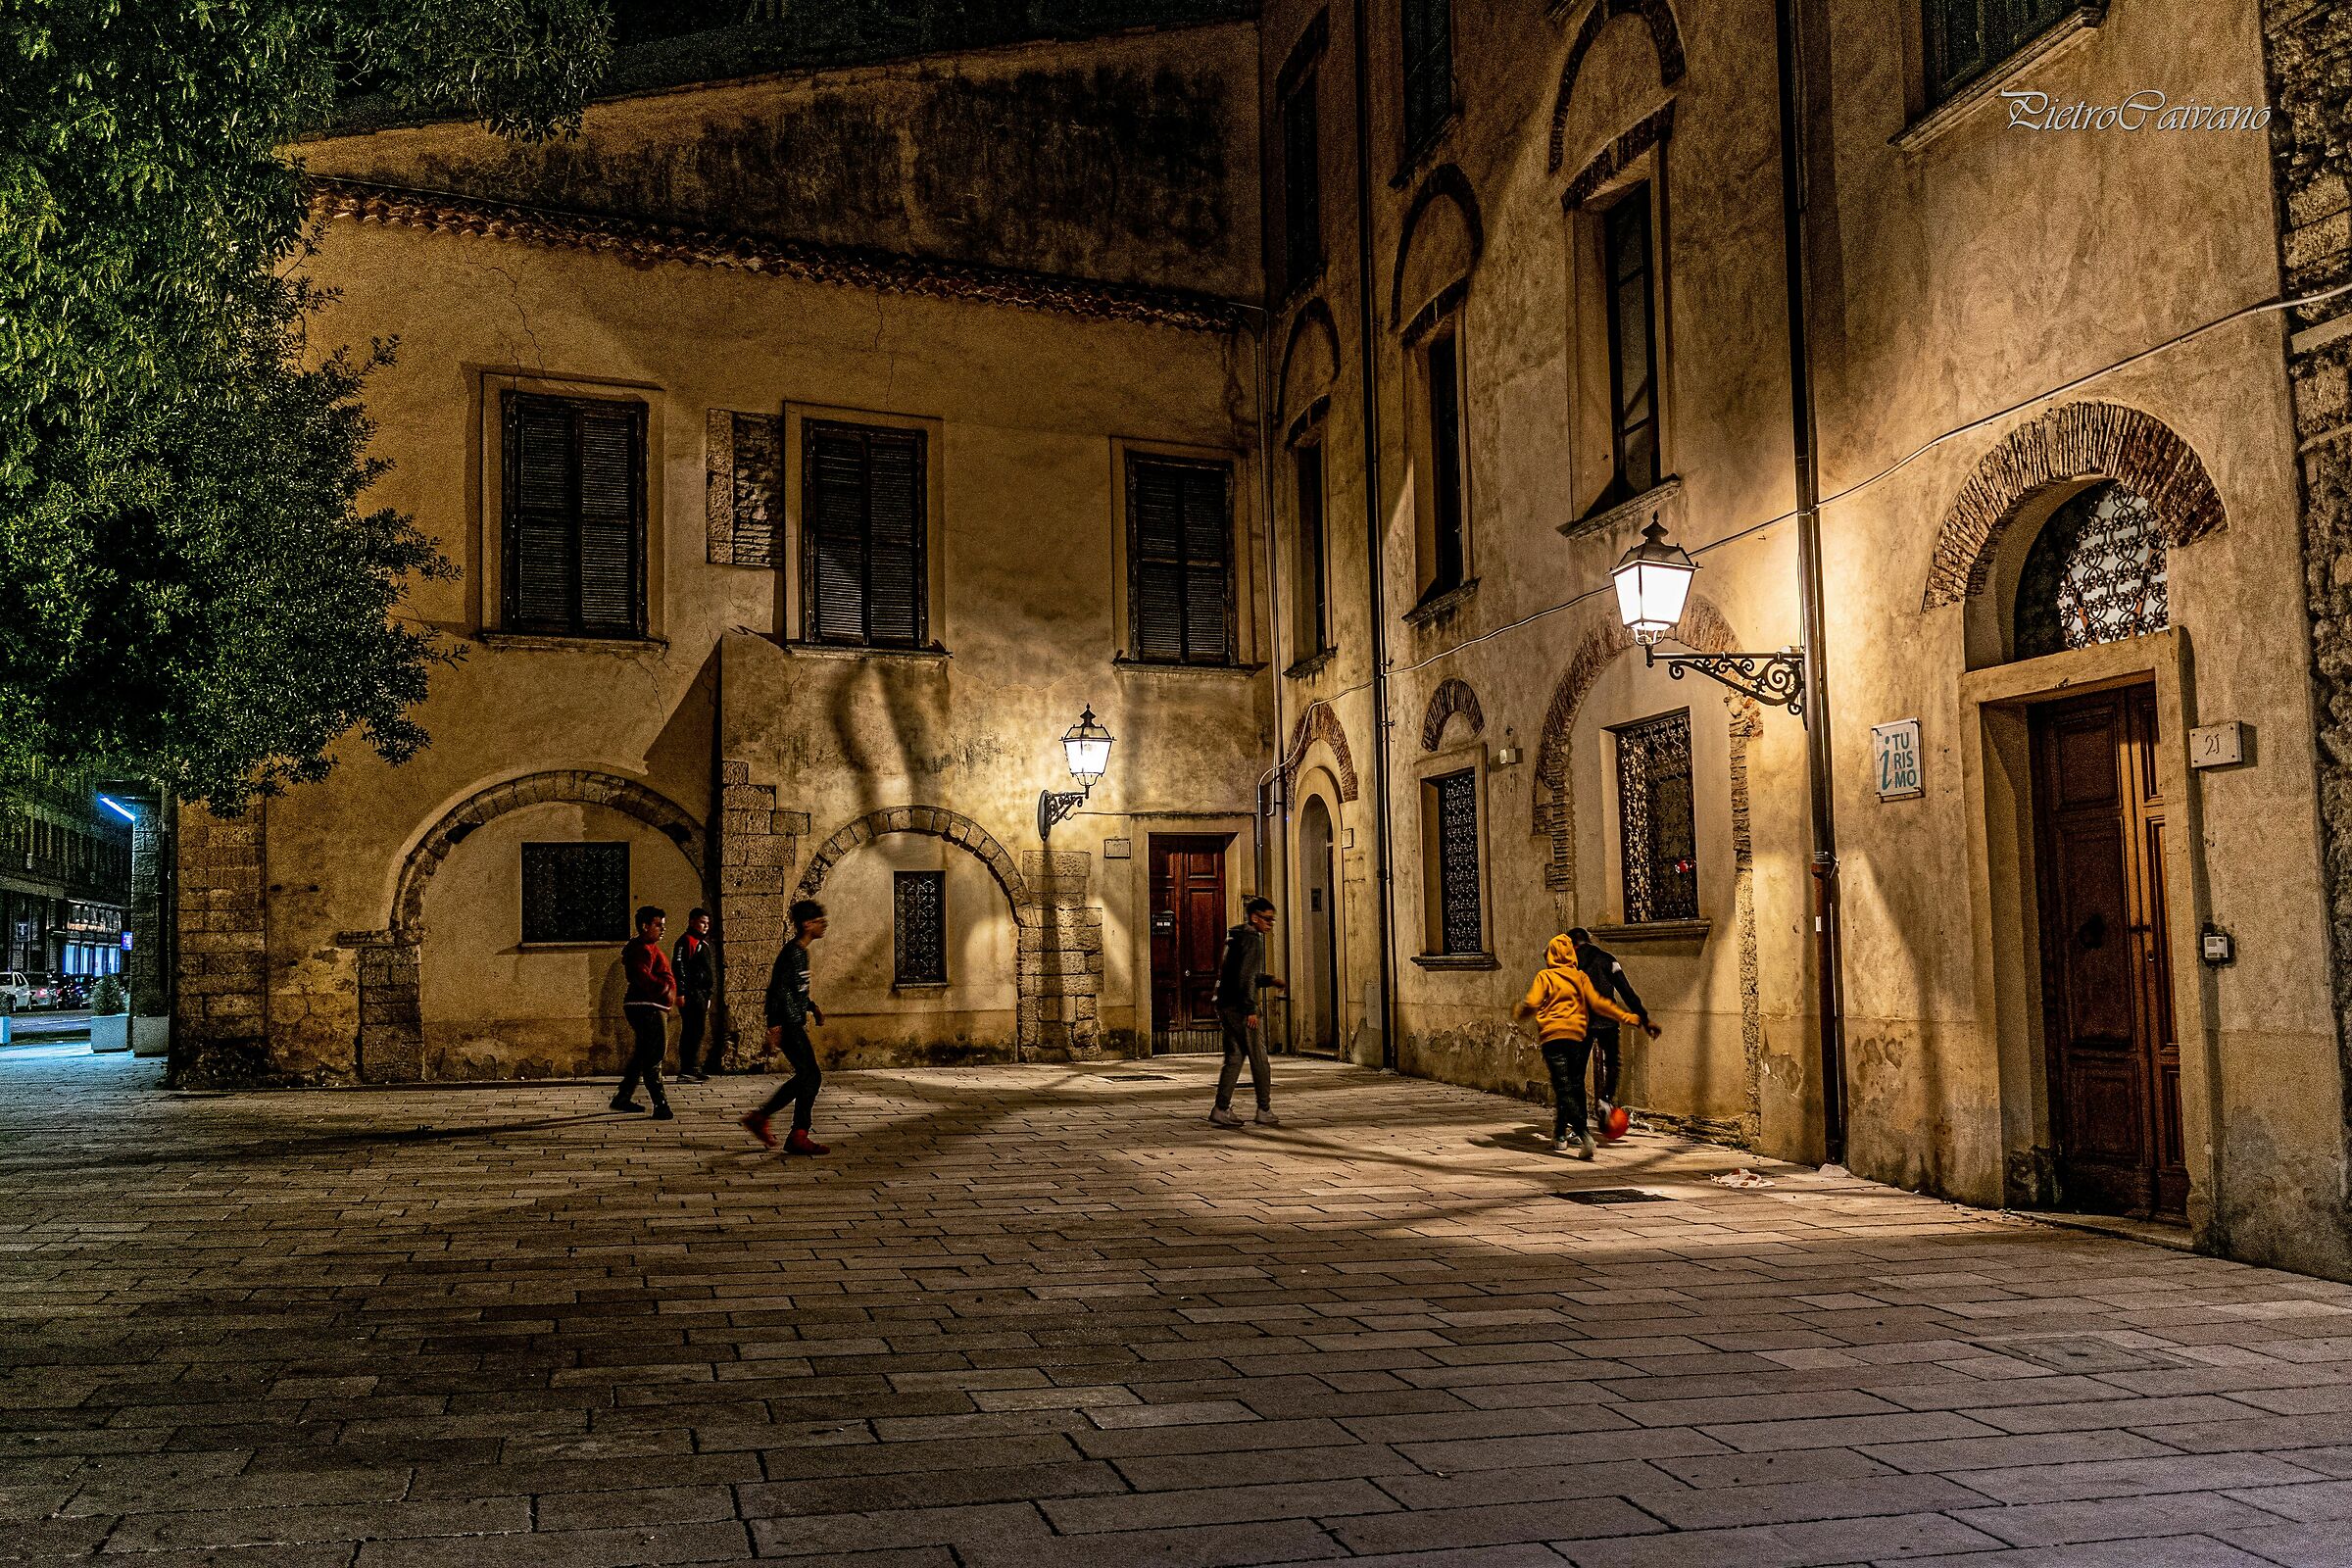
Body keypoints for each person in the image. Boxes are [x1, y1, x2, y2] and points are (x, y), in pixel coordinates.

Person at [1514, 934, 1659, 1158]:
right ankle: (1600, 1102)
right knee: (1602, 1069)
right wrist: (1633, 1017)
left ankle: (1574, 1132)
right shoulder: (1595, 967)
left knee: (1568, 1085)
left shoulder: (1549, 975)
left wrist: (1521, 1011)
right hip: (1589, 1030)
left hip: (1566, 1033)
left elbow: (1532, 1004)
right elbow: (1611, 998)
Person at [742, 899, 830, 1155]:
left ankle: (769, 1121)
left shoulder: (801, 952)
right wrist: (775, 1028)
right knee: (810, 1075)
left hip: (794, 1020)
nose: (824, 925)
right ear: (807, 924)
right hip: (788, 1024)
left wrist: (812, 1007)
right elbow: (778, 992)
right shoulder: (792, 953)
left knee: (808, 1075)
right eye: (820, 921)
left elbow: (795, 990)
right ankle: (796, 1133)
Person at [1208, 896, 1287, 1129]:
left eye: (1272, 920)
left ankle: (1221, 1109)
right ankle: (1264, 1109)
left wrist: (1270, 980)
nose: (1271, 924)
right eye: (1268, 920)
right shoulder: (1252, 940)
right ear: (1255, 918)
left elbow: (1241, 975)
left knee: (1233, 1057)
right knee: (1259, 1059)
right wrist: (1250, 1009)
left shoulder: (1236, 937)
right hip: (1241, 1008)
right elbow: (1244, 979)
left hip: (1225, 1003)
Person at [1568, 926, 1651, 1144]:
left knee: (1576, 1073)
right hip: (1607, 1020)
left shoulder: (1568, 963)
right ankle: (1605, 1098)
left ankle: (1579, 1127)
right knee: (1613, 1062)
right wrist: (1643, 1016)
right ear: (1588, 940)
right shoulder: (1607, 959)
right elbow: (1626, 990)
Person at [614, 905, 677, 1121]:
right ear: (645, 926)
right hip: (648, 1006)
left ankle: (623, 1097)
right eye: (658, 925)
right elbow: (640, 975)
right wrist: (663, 988)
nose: (662, 929)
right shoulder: (642, 948)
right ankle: (661, 1104)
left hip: (649, 1005)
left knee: (643, 1053)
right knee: (655, 1053)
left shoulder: (648, 947)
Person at [672, 907, 718, 1082]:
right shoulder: (686, 941)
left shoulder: (702, 943)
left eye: (707, 923)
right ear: (692, 922)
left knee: (698, 1031)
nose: (706, 926)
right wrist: (681, 992)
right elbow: (679, 967)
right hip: (691, 993)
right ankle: (686, 1070)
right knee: (691, 1031)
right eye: (702, 922)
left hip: (701, 995)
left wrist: (708, 995)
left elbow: (706, 972)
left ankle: (693, 1067)